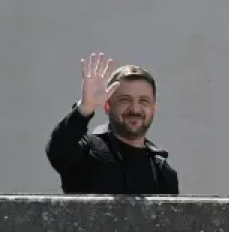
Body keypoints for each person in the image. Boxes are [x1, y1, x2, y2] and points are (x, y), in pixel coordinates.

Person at [46, 53, 179, 195]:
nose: (135, 109)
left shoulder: (162, 172)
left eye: (143, 101)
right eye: (125, 100)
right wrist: (85, 108)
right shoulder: (87, 152)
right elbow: (59, 148)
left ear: (153, 109)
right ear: (107, 106)